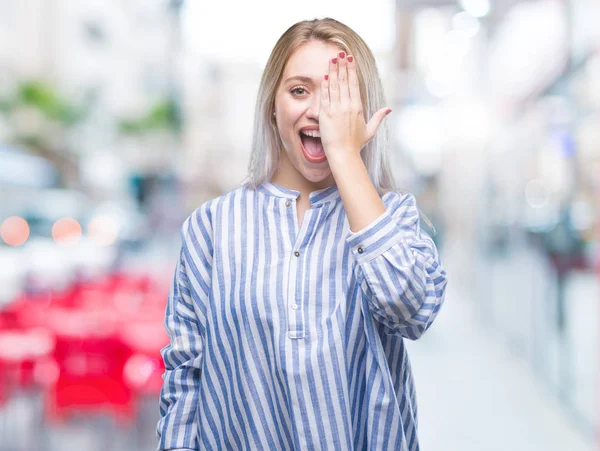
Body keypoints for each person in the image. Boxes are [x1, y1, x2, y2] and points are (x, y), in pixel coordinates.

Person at [157, 17, 448, 451]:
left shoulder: (394, 217)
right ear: (272, 108)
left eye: (337, 94)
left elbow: (411, 311)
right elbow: (185, 377)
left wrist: (346, 154)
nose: (318, 110)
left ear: (362, 112)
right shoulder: (211, 226)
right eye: (299, 90)